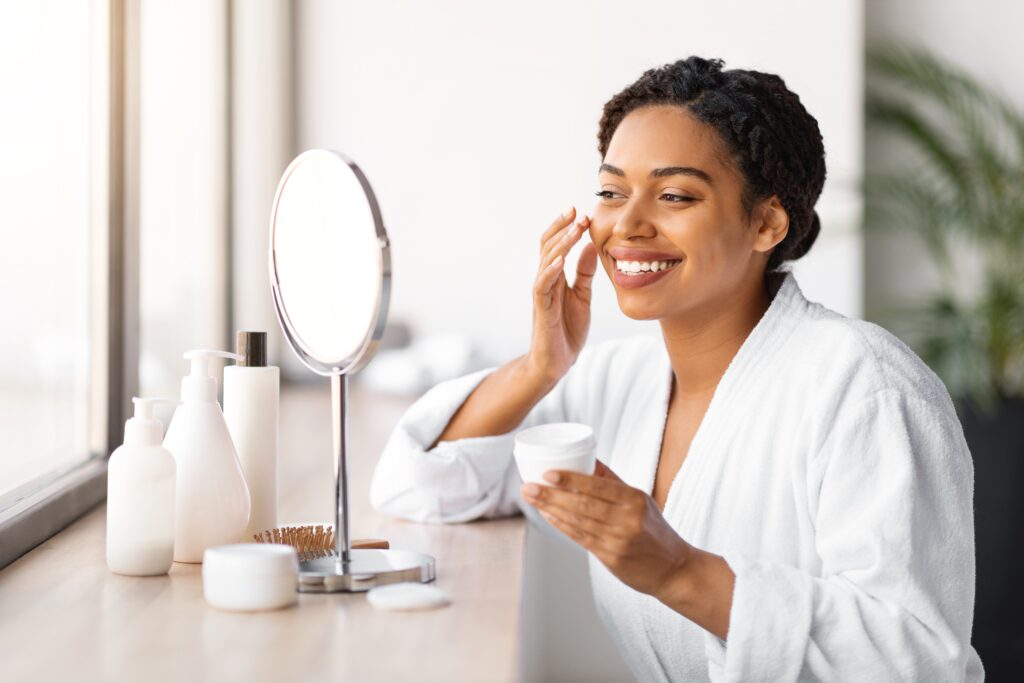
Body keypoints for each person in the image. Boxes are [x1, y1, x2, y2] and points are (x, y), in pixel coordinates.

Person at [369, 56, 984, 682]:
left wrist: (681, 571)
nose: (627, 225)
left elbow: (916, 660)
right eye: (611, 192)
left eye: (675, 195)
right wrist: (538, 367)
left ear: (767, 222)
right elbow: (420, 486)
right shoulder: (618, 380)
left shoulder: (865, 387)